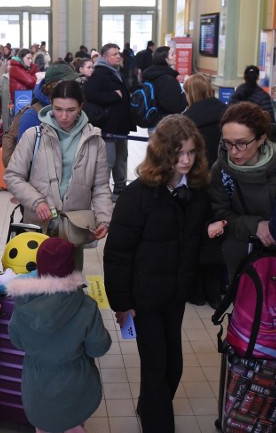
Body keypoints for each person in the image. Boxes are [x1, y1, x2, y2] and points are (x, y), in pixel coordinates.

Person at [103, 115, 212, 433]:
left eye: (191, 152)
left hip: (175, 293)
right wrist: (122, 301)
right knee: (157, 365)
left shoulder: (195, 190)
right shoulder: (139, 195)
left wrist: (210, 228)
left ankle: (148, 405)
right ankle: (157, 423)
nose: (186, 160)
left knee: (173, 365)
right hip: (145, 295)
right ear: (162, 152)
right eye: (178, 153)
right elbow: (117, 253)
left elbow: (191, 237)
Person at [7, 237, 112, 433]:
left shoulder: (23, 305)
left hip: (38, 386)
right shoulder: (87, 307)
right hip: (75, 387)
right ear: (72, 269)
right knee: (75, 425)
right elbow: (98, 347)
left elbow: (16, 340)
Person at [5, 81, 113, 270]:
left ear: (81, 107)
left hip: (74, 228)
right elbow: (13, 175)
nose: (64, 116)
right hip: (39, 226)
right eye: (58, 109)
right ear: (50, 105)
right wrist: (37, 201)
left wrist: (104, 218)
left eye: (71, 110)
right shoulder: (34, 135)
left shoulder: (94, 141)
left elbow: (101, 186)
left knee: (70, 282)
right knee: (36, 283)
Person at [208, 101, 276, 279]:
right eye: (228, 143)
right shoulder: (220, 170)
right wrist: (255, 226)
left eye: (242, 143)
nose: (234, 152)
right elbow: (220, 213)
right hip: (240, 255)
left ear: (261, 139)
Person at [82, 43, 136, 200]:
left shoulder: (117, 71)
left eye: (118, 53)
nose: (118, 56)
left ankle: (120, 189)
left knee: (122, 159)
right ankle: (102, 193)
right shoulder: (100, 73)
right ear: (105, 57)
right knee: (109, 160)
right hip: (109, 125)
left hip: (120, 126)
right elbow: (90, 94)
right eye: (114, 54)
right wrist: (114, 96)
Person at [182, 74, 227, 165]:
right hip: (223, 165)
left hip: (199, 167)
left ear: (191, 94)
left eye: (186, 93)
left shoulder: (186, 120)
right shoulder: (226, 111)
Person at [141, 46, 187, 122]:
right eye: (172, 54)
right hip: (165, 123)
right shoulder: (167, 79)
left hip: (154, 118)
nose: (175, 56)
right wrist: (186, 94)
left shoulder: (152, 73)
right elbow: (174, 106)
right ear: (165, 59)